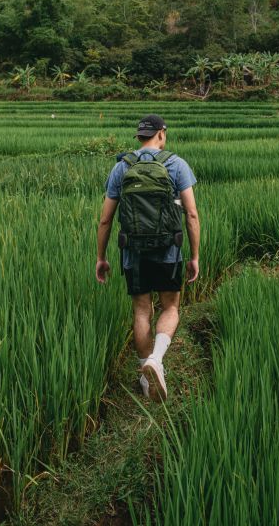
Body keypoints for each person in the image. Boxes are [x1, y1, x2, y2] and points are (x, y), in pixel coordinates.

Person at [95, 114, 200, 402]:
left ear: (139, 137)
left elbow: (105, 220)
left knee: (142, 310)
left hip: (133, 252)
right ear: (162, 134)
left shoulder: (122, 167)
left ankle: (145, 375)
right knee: (170, 307)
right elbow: (191, 214)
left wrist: (101, 257)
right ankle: (157, 358)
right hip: (168, 250)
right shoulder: (176, 164)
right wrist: (195, 256)